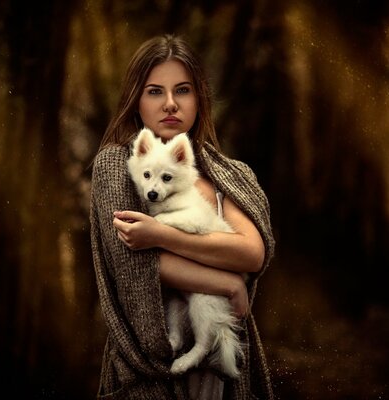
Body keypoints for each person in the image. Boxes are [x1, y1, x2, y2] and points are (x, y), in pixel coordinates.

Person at [89, 34, 275, 400]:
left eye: (183, 90)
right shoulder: (116, 165)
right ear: (136, 100)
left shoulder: (232, 174)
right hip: (147, 369)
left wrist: (160, 235)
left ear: (199, 98)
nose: (170, 104)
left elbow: (251, 253)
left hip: (226, 380)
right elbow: (133, 264)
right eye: (155, 91)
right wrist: (227, 283)